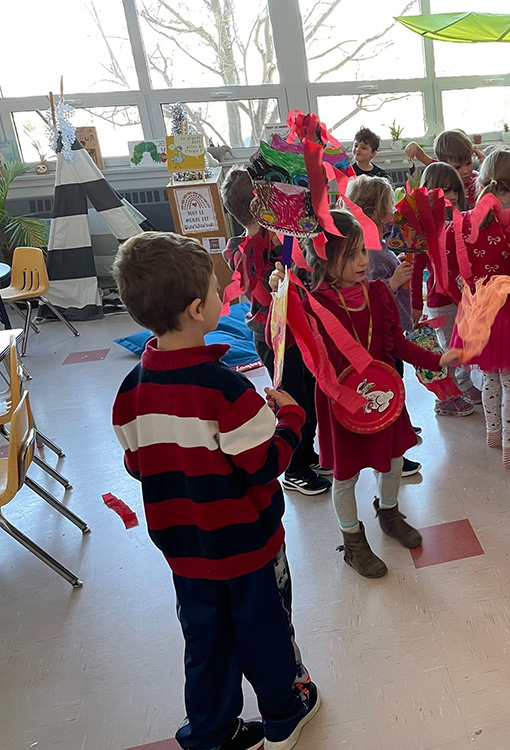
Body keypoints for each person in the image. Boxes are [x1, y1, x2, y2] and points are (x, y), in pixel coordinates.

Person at [111, 232, 320, 750]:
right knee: (265, 632)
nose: (223, 291)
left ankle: (211, 732)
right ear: (198, 309)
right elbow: (264, 465)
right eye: (215, 286)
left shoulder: (129, 391)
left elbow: (138, 466)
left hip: (185, 550)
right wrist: (290, 419)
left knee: (204, 641)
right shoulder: (228, 389)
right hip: (248, 546)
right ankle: (283, 716)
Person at [271, 210, 461, 578]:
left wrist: (437, 359)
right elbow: (283, 341)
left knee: (393, 460)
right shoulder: (311, 304)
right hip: (342, 405)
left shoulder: (377, 292)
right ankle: (353, 542)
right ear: (324, 258)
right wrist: (282, 297)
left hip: (385, 398)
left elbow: (396, 343)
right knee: (345, 477)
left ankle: (388, 513)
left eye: (362, 251)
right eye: (351, 254)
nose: (363, 261)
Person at [220, 168, 331, 496]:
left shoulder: (278, 240)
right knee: (293, 399)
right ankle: (294, 468)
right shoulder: (247, 248)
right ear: (263, 204)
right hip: (276, 338)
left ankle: (306, 454)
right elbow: (267, 290)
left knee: (309, 393)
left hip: (297, 331)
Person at [449, 149, 510, 468]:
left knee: (489, 379)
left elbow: (452, 269)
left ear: (480, 180)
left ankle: (493, 433)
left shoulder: (462, 222)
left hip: (476, 313)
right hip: (507, 316)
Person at [345, 174, 422, 477]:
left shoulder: (376, 244)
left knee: (394, 386)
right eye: (389, 205)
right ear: (377, 211)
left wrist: (396, 264)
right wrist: (394, 281)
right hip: (381, 335)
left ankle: (398, 430)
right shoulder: (368, 250)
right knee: (389, 388)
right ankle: (391, 456)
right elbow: (365, 299)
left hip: (391, 331)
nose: (394, 211)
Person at [410, 162, 478, 417]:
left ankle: (463, 386)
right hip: (440, 302)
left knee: (465, 345)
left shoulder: (462, 219)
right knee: (449, 350)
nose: (451, 196)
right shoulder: (424, 229)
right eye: (444, 191)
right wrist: (415, 306)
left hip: (464, 298)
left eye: (454, 190)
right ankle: (446, 398)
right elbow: (416, 269)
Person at [405, 129, 481, 206]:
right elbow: (423, 157)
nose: (466, 171)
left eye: (468, 163)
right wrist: (413, 145)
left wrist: (483, 160)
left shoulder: (477, 179)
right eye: (457, 167)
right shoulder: (441, 171)